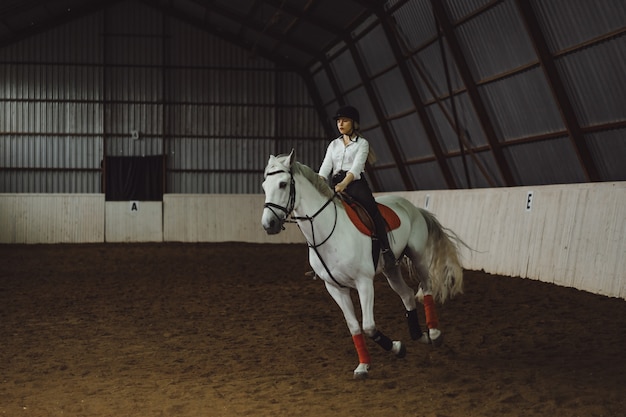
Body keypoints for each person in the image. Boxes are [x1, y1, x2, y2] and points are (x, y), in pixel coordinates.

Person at [318, 105, 396, 269]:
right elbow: (326, 167)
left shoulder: (362, 144)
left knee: (372, 209)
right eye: (339, 121)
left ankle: (385, 249)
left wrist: (344, 184)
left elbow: (356, 168)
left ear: (354, 123)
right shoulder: (333, 145)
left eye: (345, 121)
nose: (340, 124)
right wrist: (318, 182)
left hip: (355, 184)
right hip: (336, 183)